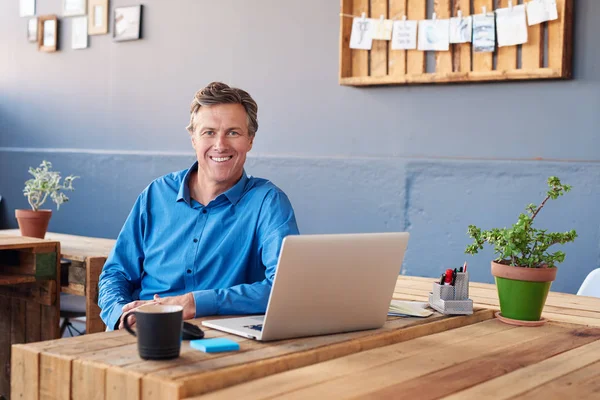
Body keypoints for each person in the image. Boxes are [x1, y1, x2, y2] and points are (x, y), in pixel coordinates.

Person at [98, 82, 299, 330]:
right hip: (143, 329)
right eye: (209, 132)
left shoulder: (268, 203)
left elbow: (283, 289)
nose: (220, 144)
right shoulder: (156, 194)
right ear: (193, 138)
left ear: (250, 140)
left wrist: (195, 302)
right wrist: (121, 314)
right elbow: (115, 273)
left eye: (233, 133)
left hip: (219, 339)